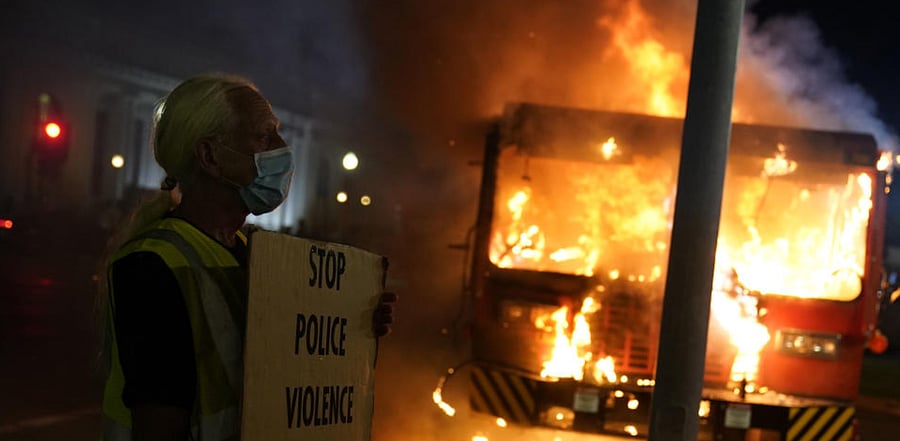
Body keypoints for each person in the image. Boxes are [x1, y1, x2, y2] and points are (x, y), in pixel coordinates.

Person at [100, 73, 396, 440]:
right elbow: (159, 421)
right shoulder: (151, 266)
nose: (283, 148)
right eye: (263, 136)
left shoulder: (258, 254)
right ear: (209, 156)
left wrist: (351, 325)